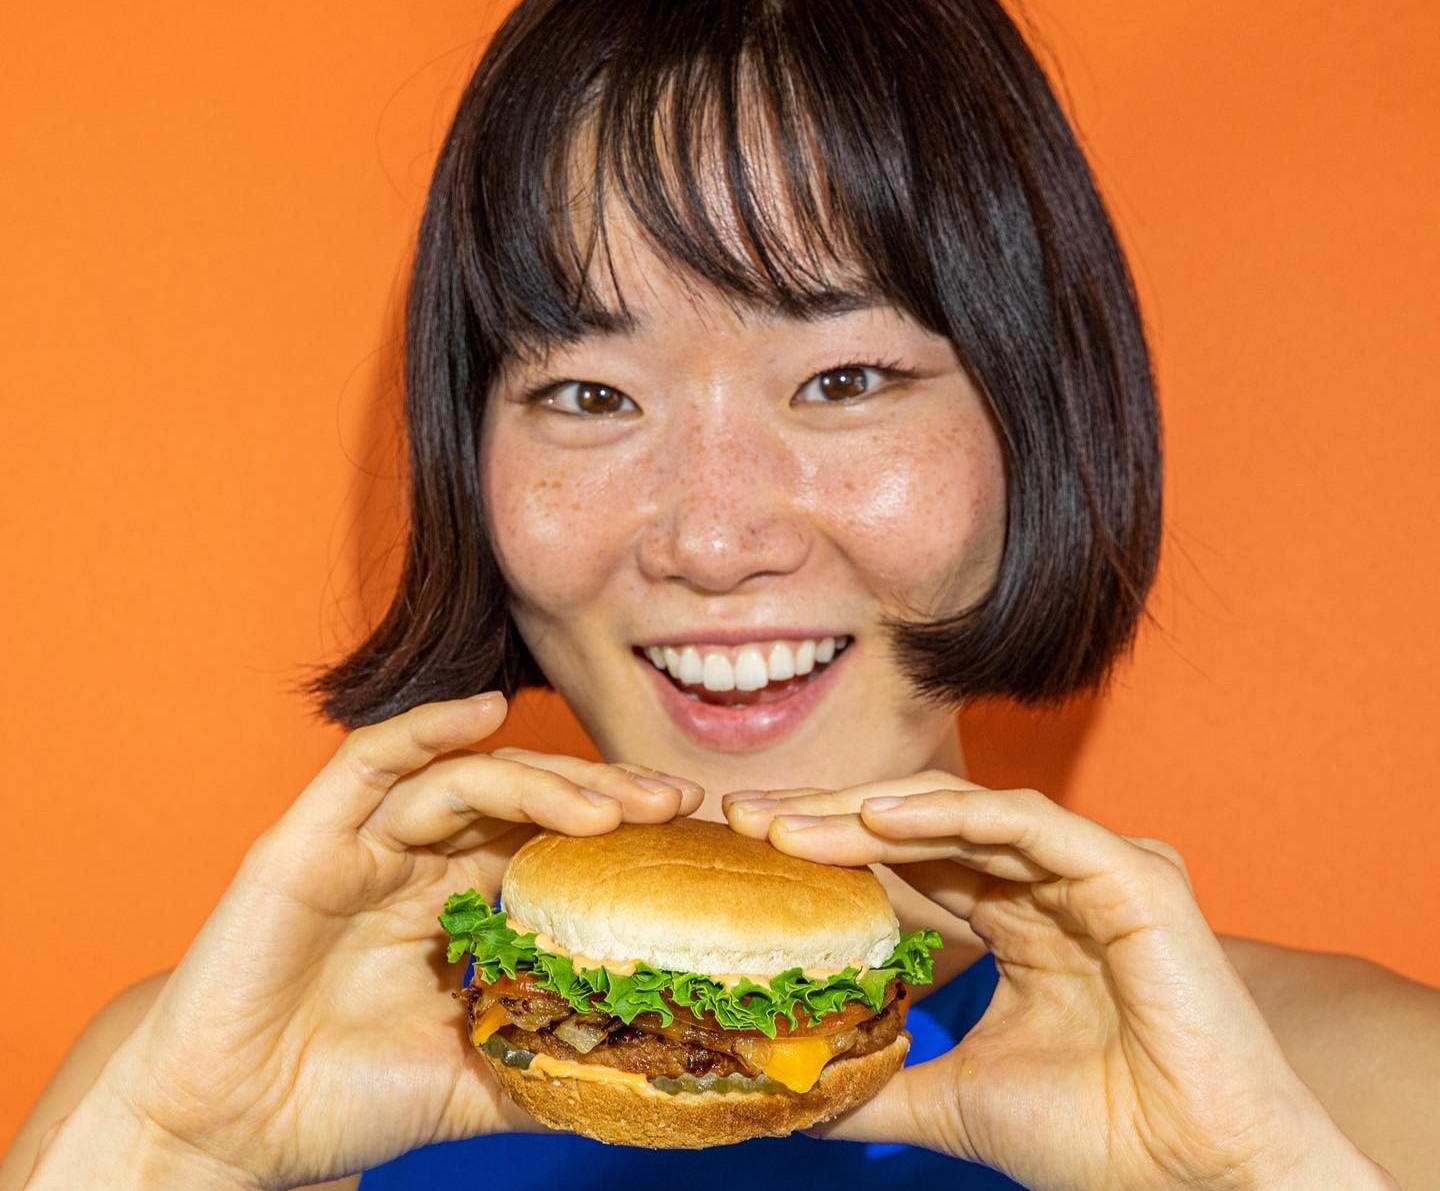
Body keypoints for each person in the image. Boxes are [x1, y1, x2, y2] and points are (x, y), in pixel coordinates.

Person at [5, 1, 1438, 1188]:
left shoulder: (1368, 1100)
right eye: (583, 392)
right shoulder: (205, 1079)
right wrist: (164, 1153)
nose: (709, 533)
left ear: (1038, 417)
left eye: (847, 379)